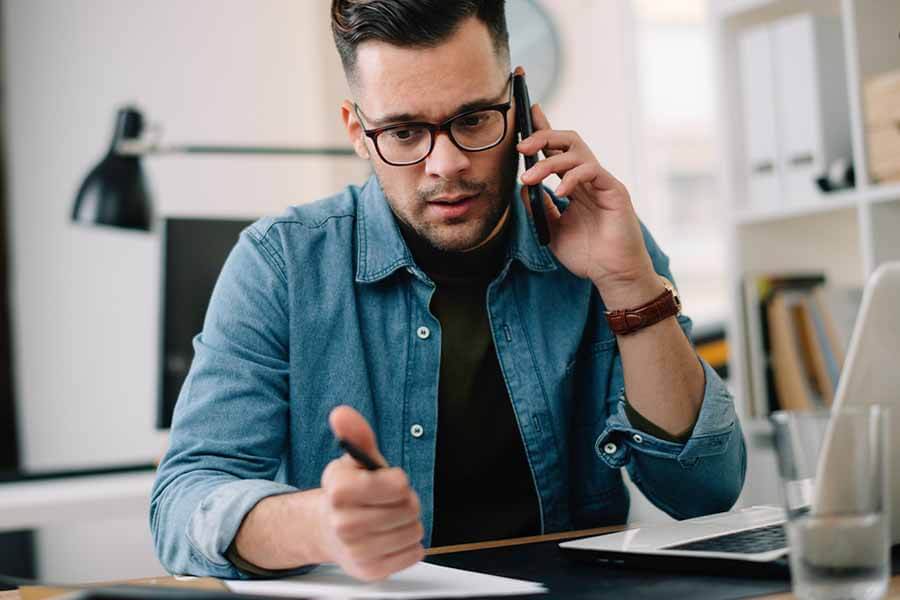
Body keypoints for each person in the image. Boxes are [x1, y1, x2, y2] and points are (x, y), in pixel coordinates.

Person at [150, 0, 746, 583]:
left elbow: (706, 491)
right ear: (359, 130)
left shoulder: (606, 240)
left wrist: (629, 286)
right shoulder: (280, 265)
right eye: (406, 132)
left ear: (517, 103)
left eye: (473, 120)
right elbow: (182, 504)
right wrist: (316, 526)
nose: (446, 164)